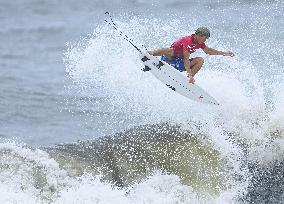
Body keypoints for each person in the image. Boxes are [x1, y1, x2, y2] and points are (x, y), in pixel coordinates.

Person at [149, 27, 235, 84]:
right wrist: (189, 73)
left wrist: (225, 53)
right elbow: (186, 59)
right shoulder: (187, 41)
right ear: (198, 35)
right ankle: (150, 54)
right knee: (170, 51)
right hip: (169, 60)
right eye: (205, 38)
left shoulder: (199, 43)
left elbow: (209, 51)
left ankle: (187, 81)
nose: (205, 40)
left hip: (180, 64)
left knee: (200, 60)